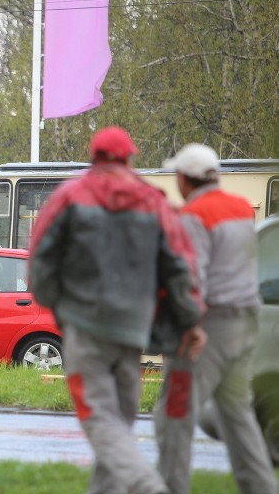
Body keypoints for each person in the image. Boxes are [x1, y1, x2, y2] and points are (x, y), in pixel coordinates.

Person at [28, 126, 207, 494]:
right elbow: (179, 265)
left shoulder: (70, 195)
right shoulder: (153, 201)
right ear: (129, 157)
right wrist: (190, 320)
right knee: (120, 420)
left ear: (94, 157)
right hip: (133, 331)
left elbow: (40, 261)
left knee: (100, 420)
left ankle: (148, 487)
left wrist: (57, 306)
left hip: (84, 326)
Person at [154, 143, 277, 494]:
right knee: (237, 416)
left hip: (209, 328)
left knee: (173, 416)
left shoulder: (195, 215)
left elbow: (193, 276)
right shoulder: (240, 209)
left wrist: (190, 326)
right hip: (245, 323)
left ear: (184, 178)